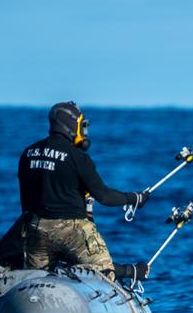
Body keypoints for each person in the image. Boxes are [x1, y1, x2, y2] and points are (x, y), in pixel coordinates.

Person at [14, 101, 144, 278]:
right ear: (71, 124)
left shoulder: (28, 153)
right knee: (105, 272)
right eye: (82, 126)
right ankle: (129, 272)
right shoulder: (78, 157)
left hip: (36, 230)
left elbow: (26, 204)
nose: (84, 132)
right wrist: (134, 198)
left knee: (34, 279)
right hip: (71, 229)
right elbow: (104, 196)